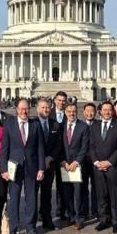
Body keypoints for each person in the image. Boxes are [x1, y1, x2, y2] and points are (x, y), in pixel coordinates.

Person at [0, 98, 45, 234]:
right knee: (14, 198)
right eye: (21, 109)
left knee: (31, 197)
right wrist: (4, 169)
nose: (24, 111)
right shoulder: (9, 125)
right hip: (14, 167)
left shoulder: (35, 125)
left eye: (26, 109)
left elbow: (40, 148)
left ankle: (30, 227)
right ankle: (13, 229)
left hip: (32, 167)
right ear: (16, 109)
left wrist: (41, 168)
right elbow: (4, 149)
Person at [89, 101, 117, 234]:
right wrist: (96, 162)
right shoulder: (94, 126)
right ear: (100, 111)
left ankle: (116, 221)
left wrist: (109, 162)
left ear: (113, 111)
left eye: (109, 110)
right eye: (104, 110)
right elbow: (91, 146)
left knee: (114, 195)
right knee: (101, 194)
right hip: (98, 167)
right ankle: (104, 219)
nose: (107, 112)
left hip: (113, 167)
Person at [59, 103, 89, 230]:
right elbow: (58, 146)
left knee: (78, 193)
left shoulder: (83, 126)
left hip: (77, 165)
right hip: (65, 165)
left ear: (77, 112)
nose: (71, 113)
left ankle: (79, 218)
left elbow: (84, 147)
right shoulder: (60, 127)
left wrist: (76, 162)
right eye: (69, 111)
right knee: (67, 193)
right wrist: (63, 161)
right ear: (65, 112)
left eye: (74, 111)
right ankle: (71, 216)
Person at [37, 97, 63, 230]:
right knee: (32, 193)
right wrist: (40, 160)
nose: (46, 109)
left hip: (49, 164)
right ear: (37, 109)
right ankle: (32, 221)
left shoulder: (55, 124)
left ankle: (47, 220)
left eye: (47, 107)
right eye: (43, 107)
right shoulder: (32, 123)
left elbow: (58, 144)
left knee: (47, 194)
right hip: (35, 164)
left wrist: (50, 158)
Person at [48, 91, 68, 220]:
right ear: (54, 100)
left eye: (63, 100)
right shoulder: (48, 114)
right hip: (50, 156)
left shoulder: (70, 114)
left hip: (65, 157)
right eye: (59, 100)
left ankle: (61, 212)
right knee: (46, 186)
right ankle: (43, 212)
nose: (61, 102)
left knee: (63, 185)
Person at [81, 102, 98, 219]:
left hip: (96, 160)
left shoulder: (99, 124)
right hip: (82, 161)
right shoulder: (80, 125)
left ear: (96, 113)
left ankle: (96, 210)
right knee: (83, 186)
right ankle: (84, 211)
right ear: (83, 113)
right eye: (87, 111)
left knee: (96, 186)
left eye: (92, 111)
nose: (89, 113)